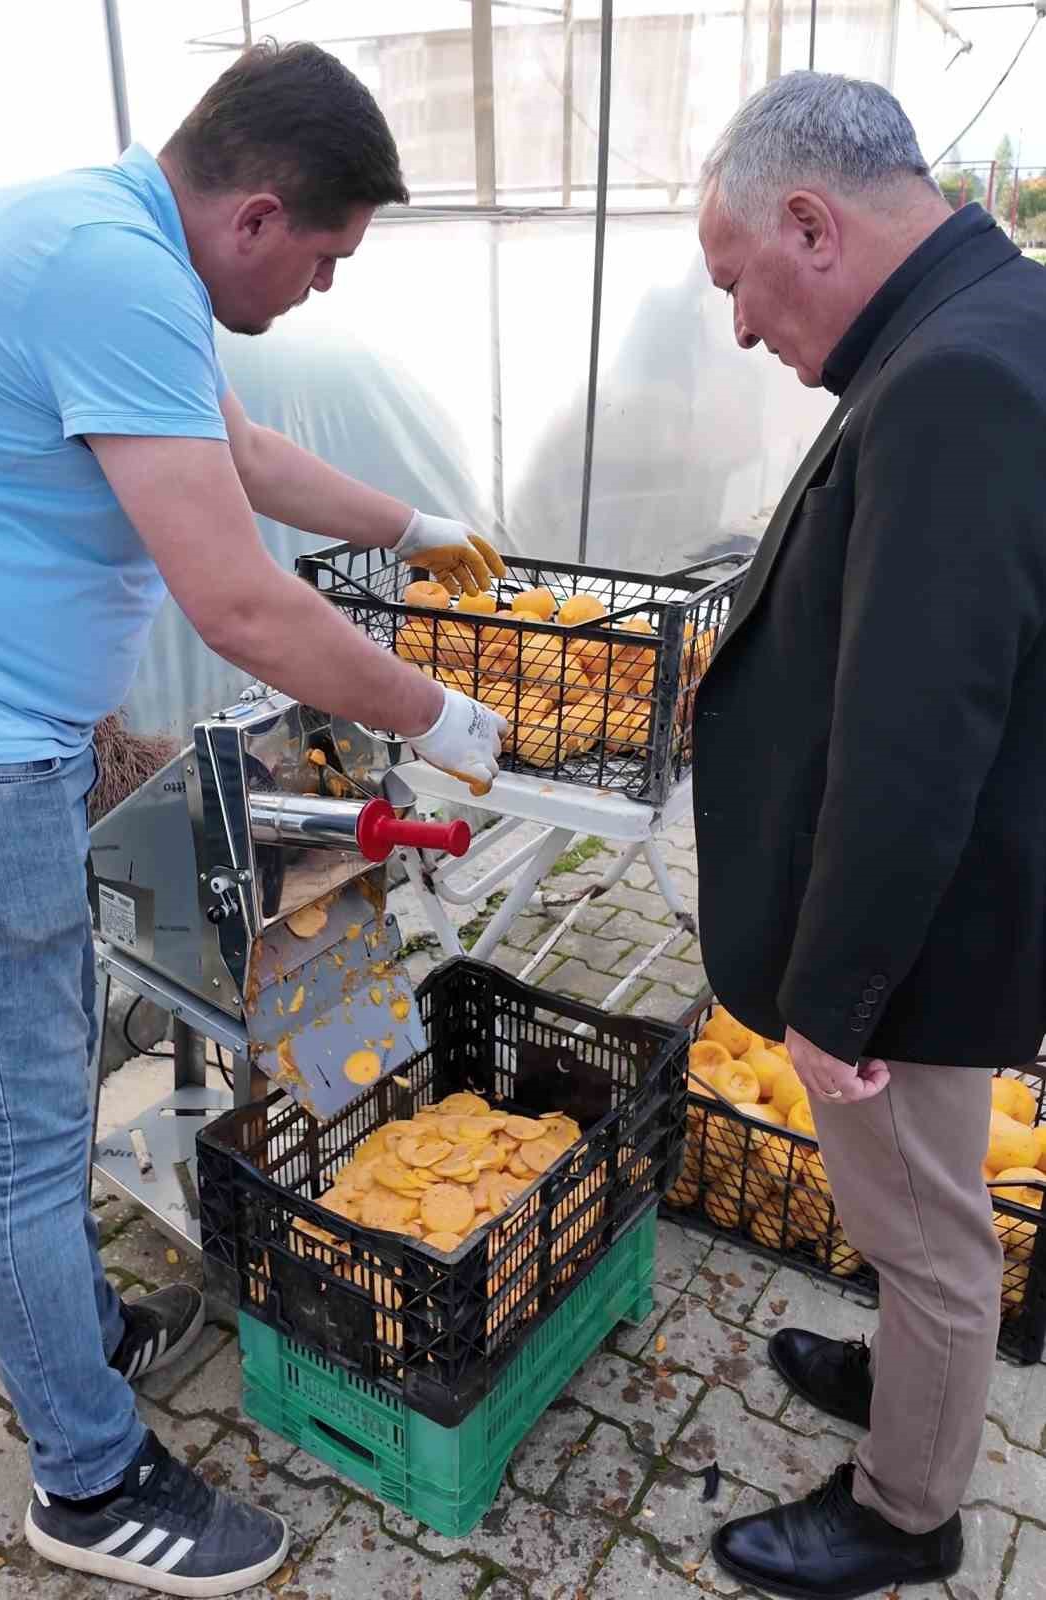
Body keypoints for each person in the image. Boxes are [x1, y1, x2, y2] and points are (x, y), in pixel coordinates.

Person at [0, 41, 506, 1596]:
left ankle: (76, 1340)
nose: (323, 289)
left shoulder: (102, 243)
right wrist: (434, 718)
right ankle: (88, 1485)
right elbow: (235, 601)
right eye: (324, 255)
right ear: (253, 215)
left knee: (29, 1114)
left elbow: (230, 451)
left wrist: (410, 525)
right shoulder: (111, 270)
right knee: (24, 1147)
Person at [692, 71, 1046, 1600]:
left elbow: (919, 736)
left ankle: (907, 1512)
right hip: (950, 898)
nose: (741, 329)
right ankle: (910, 1370)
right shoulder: (980, 325)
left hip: (917, 924)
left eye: (739, 284)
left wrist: (833, 995)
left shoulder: (955, 379)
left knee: (928, 1219)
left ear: (812, 224)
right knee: (926, 1207)